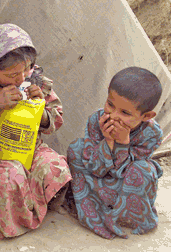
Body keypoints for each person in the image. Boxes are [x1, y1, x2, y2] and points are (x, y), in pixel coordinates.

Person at [0, 23, 72, 240]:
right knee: (12, 178)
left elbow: (56, 119)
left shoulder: (32, 79)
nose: (20, 79)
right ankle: (1, 210)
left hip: (32, 150)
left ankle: (21, 204)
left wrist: (41, 109)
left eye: (24, 70)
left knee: (55, 167)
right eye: (11, 75)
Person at [67, 66, 163, 239]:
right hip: (97, 177)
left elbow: (126, 172)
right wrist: (108, 141)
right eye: (110, 104)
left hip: (124, 184)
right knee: (76, 148)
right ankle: (90, 209)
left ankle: (124, 217)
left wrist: (122, 142)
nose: (113, 115)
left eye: (125, 112)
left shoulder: (152, 134)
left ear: (146, 116)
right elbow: (95, 169)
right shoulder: (96, 120)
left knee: (144, 170)